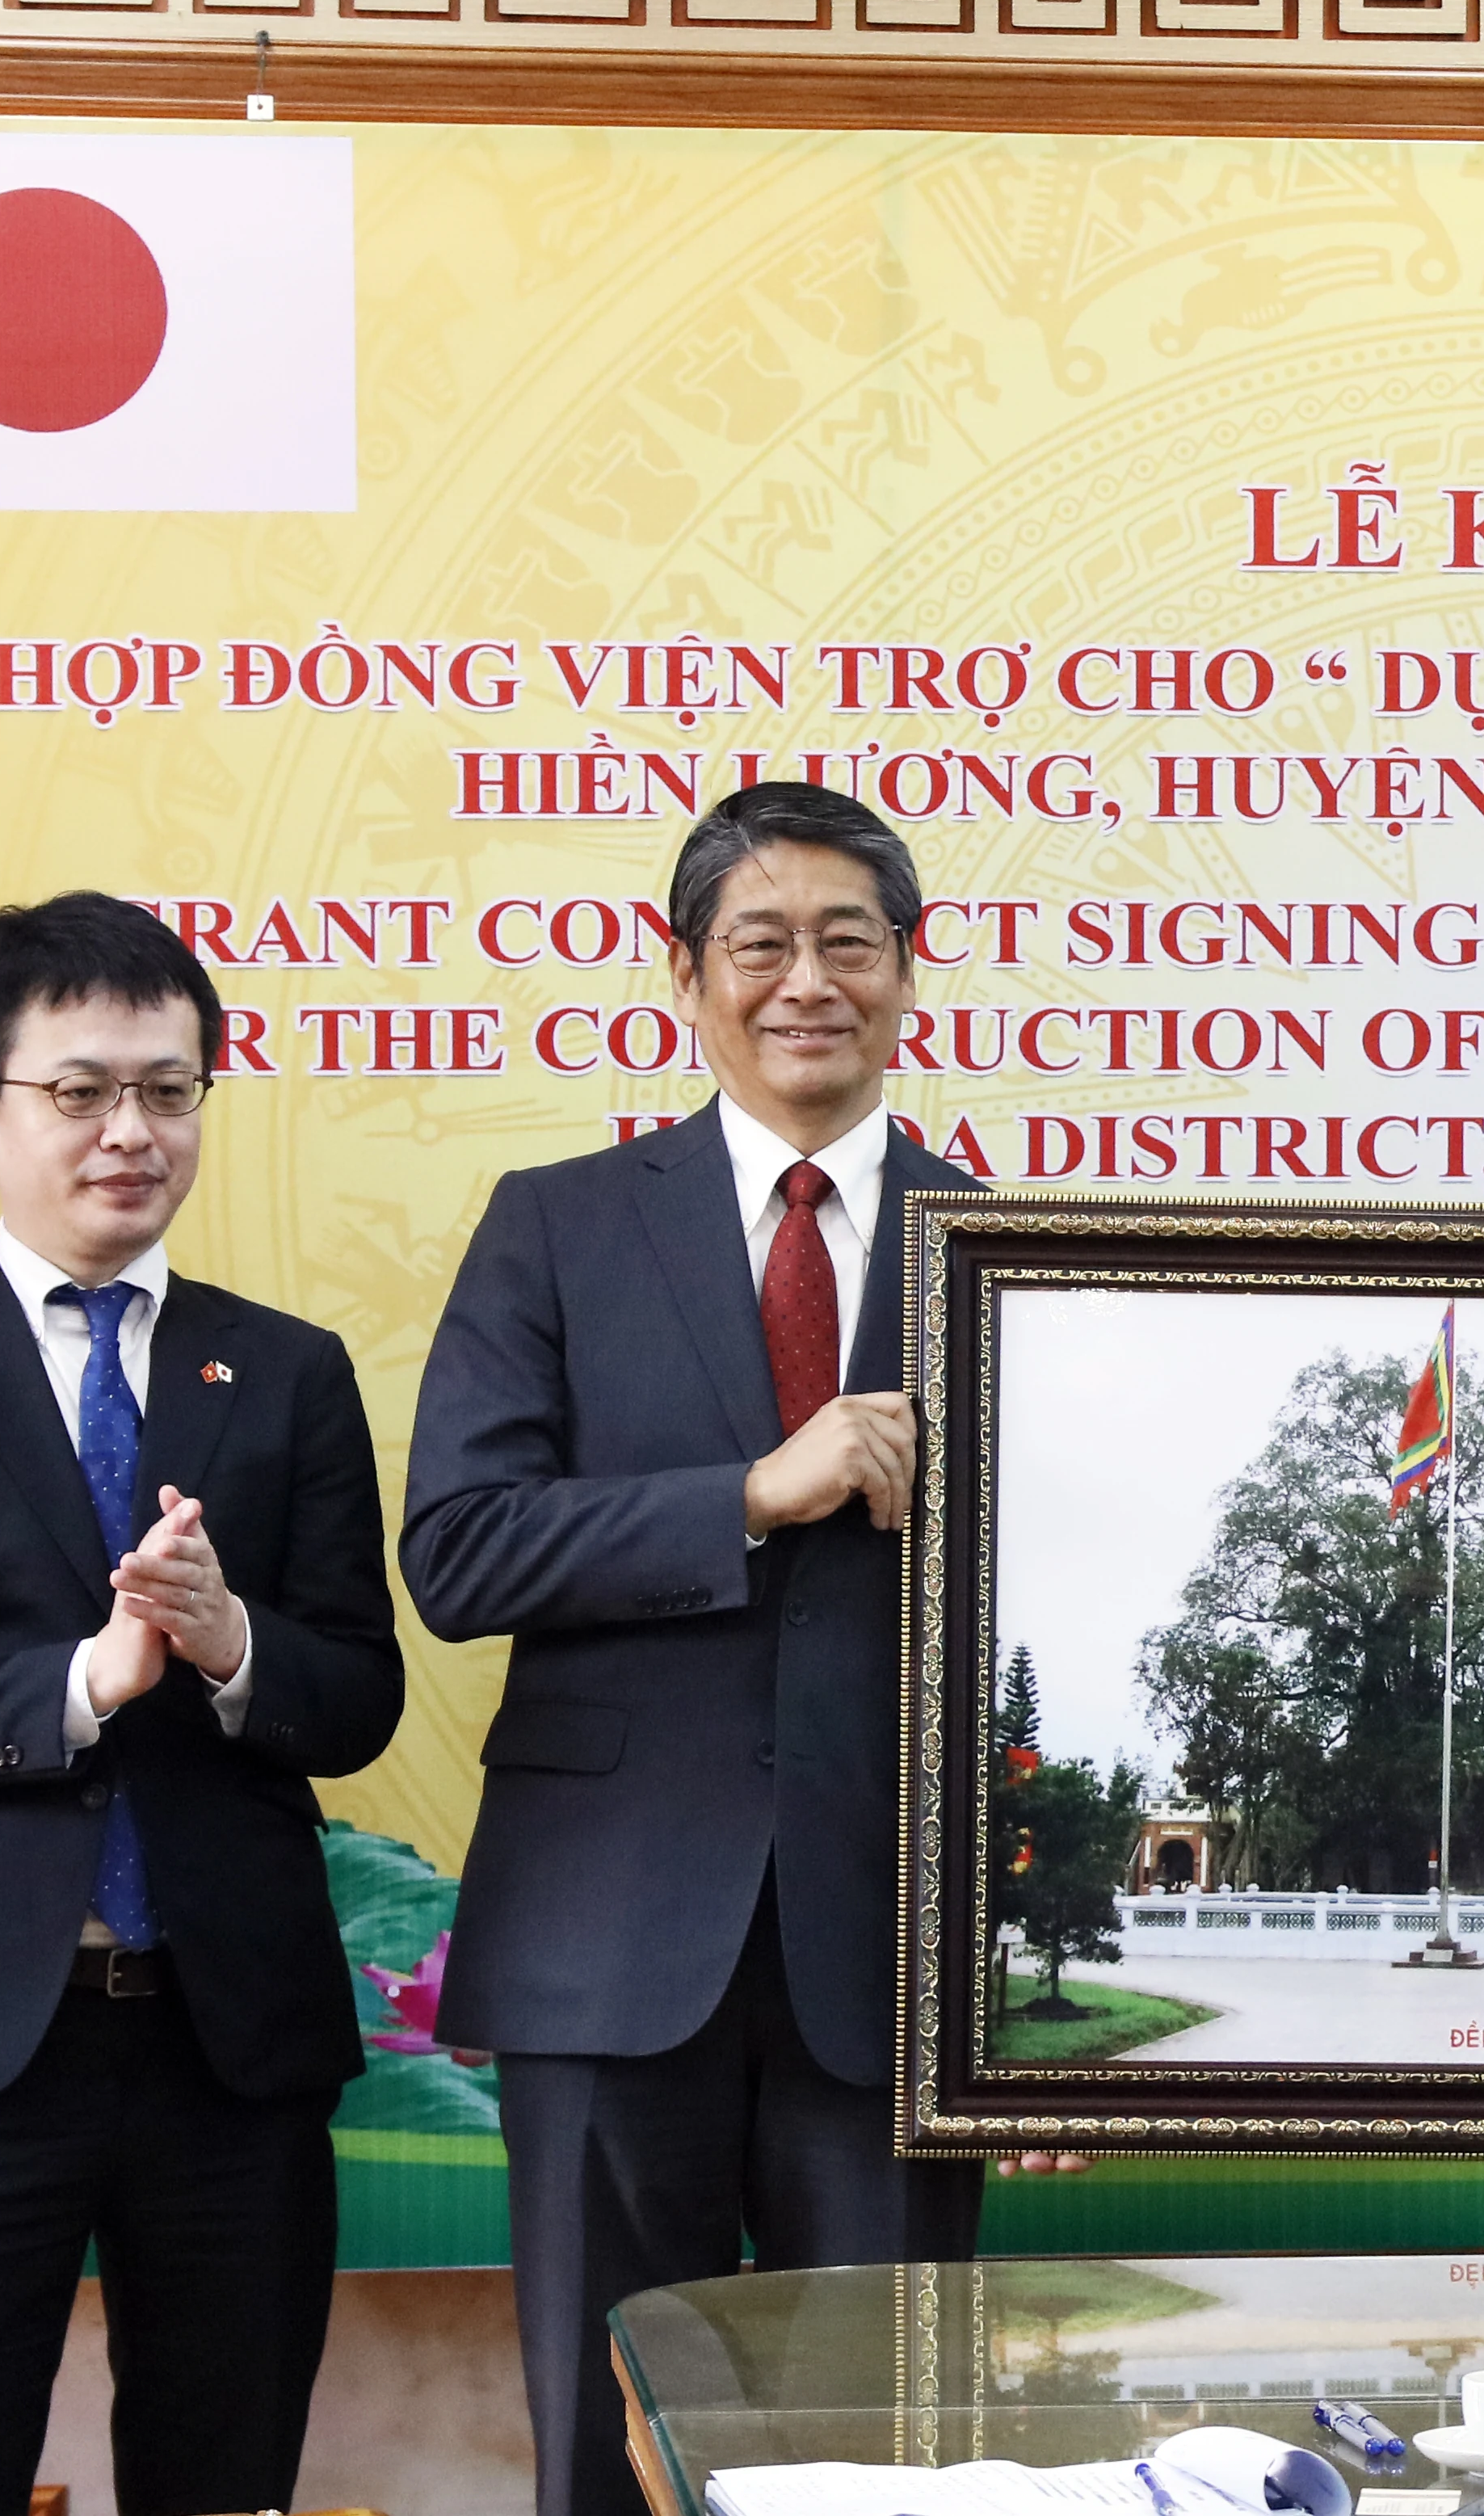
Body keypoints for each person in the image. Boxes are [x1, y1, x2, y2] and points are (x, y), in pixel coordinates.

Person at [410, 781, 1060, 2516]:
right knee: (606, 2448)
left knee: (899, 2458)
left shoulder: (1004, 1249)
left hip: (891, 1971)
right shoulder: (554, 1220)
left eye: (851, 940)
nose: (807, 980)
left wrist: (1024, 1992)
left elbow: (1056, 1616)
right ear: (685, 973)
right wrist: (751, 1495)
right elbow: (458, 1551)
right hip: (609, 1945)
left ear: (911, 971)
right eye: (760, 941)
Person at [0, 893, 403, 2516]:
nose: (133, 1130)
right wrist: (85, 1680)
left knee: (222, 2480)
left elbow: (358, 1694)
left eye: (171, 1088)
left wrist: (228, 1644)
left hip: (226, 2041)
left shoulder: (288, 1369)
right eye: (83, 1090)